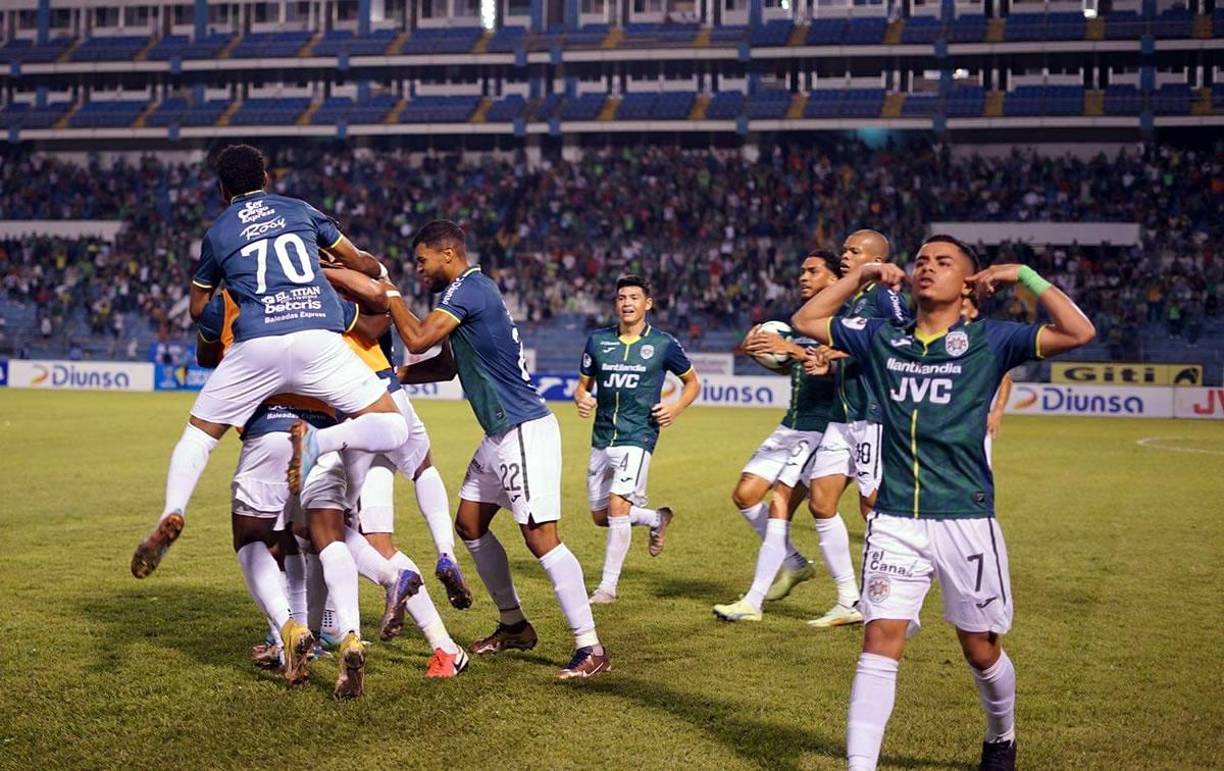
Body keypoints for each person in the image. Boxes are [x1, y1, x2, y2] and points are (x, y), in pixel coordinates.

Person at [791, 234, 1095, 771]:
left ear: (969, 282)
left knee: (980, 649)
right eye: (922, 260)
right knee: (879, 638)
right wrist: (860, 277)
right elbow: (808, 320)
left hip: (965, 518)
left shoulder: (992, 340)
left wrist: (1024, 275)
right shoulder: (883, 337)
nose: (928, 268)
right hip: (894, 520)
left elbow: (1079, 331)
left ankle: (1001, 735)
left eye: (944, 262)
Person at [131, 144, 409, 611]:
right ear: (267, 176)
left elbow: (200, 310)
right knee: (394, 425)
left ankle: (172, 510)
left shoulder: (218, 232)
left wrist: (232, 281)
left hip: (256, 342)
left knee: (198, 436)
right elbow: (360, 263)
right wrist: (347, 269)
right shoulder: (298, 209)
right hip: (317, 335)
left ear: (223, 191)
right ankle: (324, 442)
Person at [383, 219, 610, 679]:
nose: (419, 270)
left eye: (422, 261)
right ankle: (514, 625)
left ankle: (591, 646)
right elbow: (445, 366)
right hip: (499, 433)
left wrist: (389, 295)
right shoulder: (466, 293)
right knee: (469, 523)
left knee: (540, 537)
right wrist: (394, 379)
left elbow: (418, 338)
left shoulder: (469, 289)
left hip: (523, 428)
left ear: (448, 254)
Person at [713, 250, 842, 622]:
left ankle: (754, 601)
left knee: (782, 501)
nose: (803, 276)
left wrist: (791, 350)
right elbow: (801, 371)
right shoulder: (803, 320)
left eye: (812, 271)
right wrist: (771, 358)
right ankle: (795, 562)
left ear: (834, 279)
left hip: (821, 425)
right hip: (792, 422)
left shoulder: (842, 320)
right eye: (801, 270)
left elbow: (844, 369)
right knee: (745, 494)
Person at [799, 229, 910, 629]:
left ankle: (887, 594)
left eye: (853, 251)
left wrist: (841, 349)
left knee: (871, 508)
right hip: (842, 416)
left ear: (876, 259)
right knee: (821, 503)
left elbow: (901, 336)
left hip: (872, 416)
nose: (844, 256)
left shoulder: (883, 293)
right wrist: (830, 360)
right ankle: (849, 598)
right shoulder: (852, 301)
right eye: (844, 250)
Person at [573, 274, 700, 604]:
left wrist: (675, 408)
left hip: (638, 434)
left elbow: (692, 383)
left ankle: (607, 588)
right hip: (602, 436)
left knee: (618, 505)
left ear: (647, 304)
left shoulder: (663, 344)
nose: (627, 303)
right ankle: (656, 518)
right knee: (601, 517)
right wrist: (581, 398)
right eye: (621, 298)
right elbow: (582, 386)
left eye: (633, 297)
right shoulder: (598, 341)